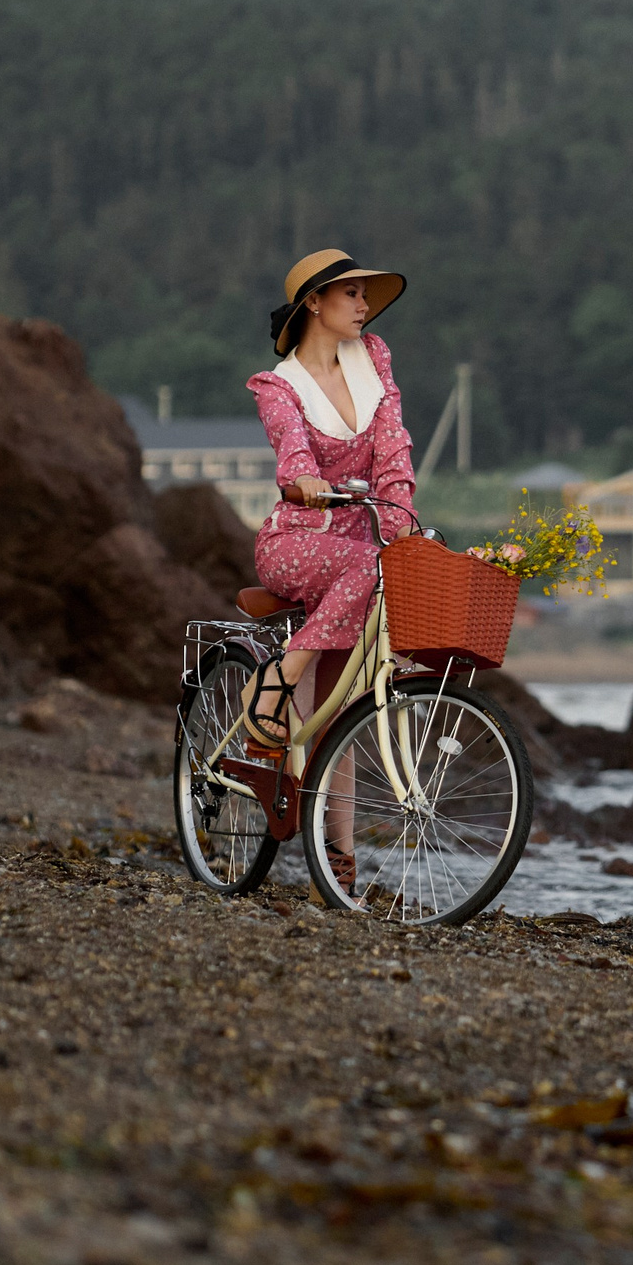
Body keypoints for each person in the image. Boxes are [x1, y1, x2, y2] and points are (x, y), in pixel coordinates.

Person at [242, 250, 415, 886]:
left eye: (366, 294)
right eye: (351, 294)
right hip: (296, 541)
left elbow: (394, 452)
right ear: (314, 303)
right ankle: (275, 683)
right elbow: (290, 451)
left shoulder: (376, 361)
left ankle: (336, 865)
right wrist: (305, 483)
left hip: (362, 554)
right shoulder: (277, 385)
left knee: (340, 716)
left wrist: (403, 528)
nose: (364, 304)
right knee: (368, 569)